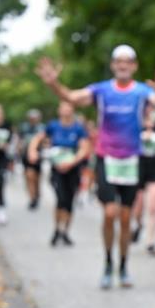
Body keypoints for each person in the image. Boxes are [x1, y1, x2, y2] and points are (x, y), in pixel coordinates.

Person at [35, 45, 155, 289]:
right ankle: (107, 263)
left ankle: (123, 266)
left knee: (126, 218)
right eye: (119, 61)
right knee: (109, 213)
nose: (123, 65)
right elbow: (72, 97)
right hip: (106, 158)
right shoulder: (101, 90)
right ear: (113, 65)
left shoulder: (142, 91)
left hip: (131, 160)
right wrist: (53, 84)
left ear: (134, 66)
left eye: (128, 61)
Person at [27, 101, 91, 246]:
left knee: (69, 201)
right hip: (57, 169)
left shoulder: (78, 128)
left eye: (69, 108)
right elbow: (37, 138)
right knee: (60, 199)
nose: (66, 110)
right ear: (59, 110)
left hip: (72, 169)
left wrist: (72, 162)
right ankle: (57, 228)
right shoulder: (53, 126)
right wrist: (32, 151)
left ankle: (65, 231)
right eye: (63, 107)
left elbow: (84, 148)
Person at [132, 111, 155, 256]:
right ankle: (139, 225)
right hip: (138, 170)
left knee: (153, 207)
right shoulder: (135, 125)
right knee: (138, 208)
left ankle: (150, 242)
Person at [18, 109, 46, 209]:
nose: (33, 120)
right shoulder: (24, 128)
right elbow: (20, 141)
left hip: (38, 155)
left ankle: (37, 194)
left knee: (37, 178)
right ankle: (32, 198)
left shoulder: (42, 128)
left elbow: (45, 141)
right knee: (29, 176)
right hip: (26, 155)